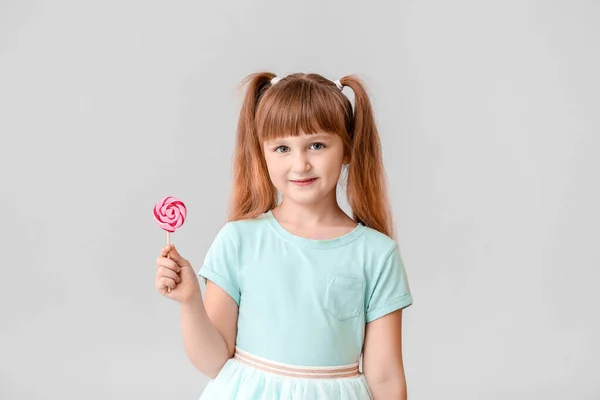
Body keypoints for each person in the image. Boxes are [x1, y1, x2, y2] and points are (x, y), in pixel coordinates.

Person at [155, 72, 414, 399]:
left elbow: (387, 377)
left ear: (347, 148)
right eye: (282, 148)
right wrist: (189, 301)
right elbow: (212, 361)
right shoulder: (238, 240)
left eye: (317, 145)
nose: (300, 163)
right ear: (262, 153)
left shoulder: (377, 254)